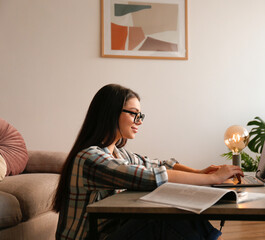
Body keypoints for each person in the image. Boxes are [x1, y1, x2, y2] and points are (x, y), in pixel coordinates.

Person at [53, 84, 243, 240]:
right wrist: (215, 178)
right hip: (92, 237)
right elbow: (151, 176)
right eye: (134, 114)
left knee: (179, 216)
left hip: (107, 232)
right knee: (160, 220)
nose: (139, 121)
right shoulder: (90, 158)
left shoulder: (118, 154)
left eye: (140, 115)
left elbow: (159, 165)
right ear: (111, 113)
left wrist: (200, 172)